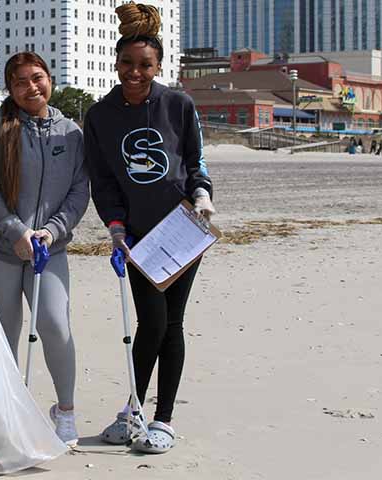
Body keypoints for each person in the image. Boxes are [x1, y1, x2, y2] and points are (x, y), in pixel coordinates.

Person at [84, 3, 214, 454]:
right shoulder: (100, 116)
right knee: (151, 323)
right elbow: (102, 179)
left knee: (171, 324)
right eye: (127, 64)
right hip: (138, 237)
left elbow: (195, 160)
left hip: (183, 228)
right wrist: (116, 227)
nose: (135, 73)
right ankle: (135, 408)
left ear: (159, 67)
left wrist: (202, 195)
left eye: (145, 65)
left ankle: (161, 419)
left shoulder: (178, 103)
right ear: (115, 63)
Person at [0, 52, 90, 446]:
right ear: (10, 88)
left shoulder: (70, 132)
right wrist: (15, 231)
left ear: (50, 79)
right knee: (4, 334)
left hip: (49, 250)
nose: (31, 87)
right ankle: (7, 412)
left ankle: (66, 412)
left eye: (37, 78)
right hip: (2, 249)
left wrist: (51, 233)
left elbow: (78, 192)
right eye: (20, 82)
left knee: (55, 325)